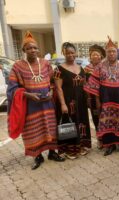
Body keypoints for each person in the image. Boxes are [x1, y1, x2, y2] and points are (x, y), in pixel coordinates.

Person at [7, 31, 64, 170]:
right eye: (29, 48)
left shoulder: (45, 63)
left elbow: (52, 81)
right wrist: (27, 95)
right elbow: (12, 89)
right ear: (24, 50)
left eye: (35, 48)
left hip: (47, 104)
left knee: (50, 127)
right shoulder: (18, 66)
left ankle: (52, 153)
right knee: (33, 130)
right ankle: (37, 156)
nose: (33, 50)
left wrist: (51, 91)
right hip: (31, 106)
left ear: (38, 49)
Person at [84, 36, 119, 156]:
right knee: (108, 121)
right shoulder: (100, 66)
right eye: (109, 51)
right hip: (106, 100)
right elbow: (94, 85)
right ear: (106, 53)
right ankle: (109, 146)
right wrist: (98, 101)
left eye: (113, 51)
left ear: (117, 52)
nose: (111, 53)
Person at [54, 42, 91, 159]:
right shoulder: (59, 69)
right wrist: (63, 104)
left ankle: (80, 146)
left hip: (81, 102)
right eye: (67, 53)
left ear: (76, 53)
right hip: (68, 102)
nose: (70, 55)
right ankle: (70, 150)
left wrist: (88, 99)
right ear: (64, 53)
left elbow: (85, 85)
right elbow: (58, 88)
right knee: (70, 124)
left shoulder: (81, 68)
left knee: (81, 123)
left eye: (72, 52)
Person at [84, 45, 106, 131]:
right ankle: (99, 135)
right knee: (95, 115)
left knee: (105, 115)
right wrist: (88, 97)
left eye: (97, 54)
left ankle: (106, 137)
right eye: (93, 54)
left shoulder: (105, 67)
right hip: (92, 97)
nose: (95, 56)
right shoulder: (86, 69)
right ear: (90, 57)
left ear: (101, 56)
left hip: (104, 95)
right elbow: (85, 83)